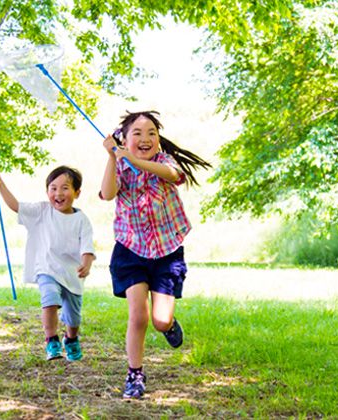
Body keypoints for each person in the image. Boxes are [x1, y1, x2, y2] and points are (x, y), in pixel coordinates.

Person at [99, 110, 211, 399]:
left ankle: (169, 325)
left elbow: (174, 176)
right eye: (137, 133)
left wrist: (133, 159)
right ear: (124, 139)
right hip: (131, 250)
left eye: (152, 133)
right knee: (138, 316)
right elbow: (108, 193)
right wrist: (113, 157)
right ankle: (134, 373)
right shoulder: (120, 165)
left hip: (166, 252)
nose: (146, 138)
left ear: (159, 141)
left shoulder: (164, 162)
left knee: (160, 320)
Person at [0, 166, 95, 361]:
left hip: (72, 274)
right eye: (53, 188)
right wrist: (1, 185)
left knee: (73, 318)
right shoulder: (41, 211)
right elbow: (16, 206)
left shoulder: (82, 220)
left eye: (65, 188)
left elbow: (87, 247)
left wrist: (86, 263)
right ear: (47, 192)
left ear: (77, 193)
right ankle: (51, 340)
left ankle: (71, 339)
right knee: (50, 299)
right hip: (46, 269)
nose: (58, 193)